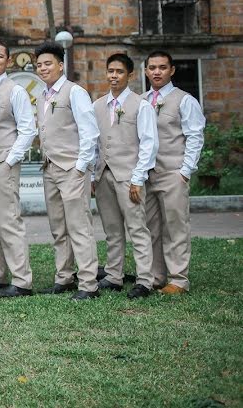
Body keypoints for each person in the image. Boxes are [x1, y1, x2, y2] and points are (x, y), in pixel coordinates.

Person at [35, 42, 100, 300]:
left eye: (47, 63)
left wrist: (81, 167)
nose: (42, 68)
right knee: (58, 227)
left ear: (61, 65)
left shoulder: (75, 92)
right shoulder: (42, 96)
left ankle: (88, 284)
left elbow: (90, 132)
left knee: (79, 226)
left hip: (72, 168)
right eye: (39, 65)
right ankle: (64, 277)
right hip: (50, 168)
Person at [92, 53, 158, 299]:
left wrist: (138, 178)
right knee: (112, 229)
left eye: (119, 72)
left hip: (129, 176)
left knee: (137, 228)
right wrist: (92, 176)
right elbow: (93, 143)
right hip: (103, 175)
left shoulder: (141, 105)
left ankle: (144, 280)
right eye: (110, 71)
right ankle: (114, 275)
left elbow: (149, 144)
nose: (114, 76)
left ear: (129, 75)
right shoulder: (97, 105)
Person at [0, 40, 36, 299]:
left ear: (8, 61)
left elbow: (28, 129)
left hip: (3, 162)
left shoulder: (16, 91)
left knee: (9, 221)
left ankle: (22, 280)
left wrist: (10, 159)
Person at [143, 50, 205, 294]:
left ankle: (179, 279)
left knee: (175, 226)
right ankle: (157, 275)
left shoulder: (184, 100)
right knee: (150, 227)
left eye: (162, 67)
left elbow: (194, 136)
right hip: (146, 175)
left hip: (173, 172)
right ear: (146, 70)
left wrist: (185, 171)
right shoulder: (141, 100)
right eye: (152, 67)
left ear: (171, 70)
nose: (157, 71)